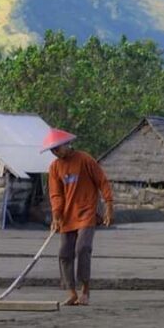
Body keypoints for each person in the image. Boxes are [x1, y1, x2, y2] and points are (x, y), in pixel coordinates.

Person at [42, 128, 113, 306]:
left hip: (87, 212)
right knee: (64, 253)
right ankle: (72, 292)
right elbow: (56, 194)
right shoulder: (54, 167)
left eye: (58, 148)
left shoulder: (85, 160)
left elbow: (102, 181)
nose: (56, 152)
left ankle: (85, 290)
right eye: (53, 150)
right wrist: (56, 215)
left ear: (67, 144)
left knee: (83, 248)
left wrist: (108, 205)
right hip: (67, 216)